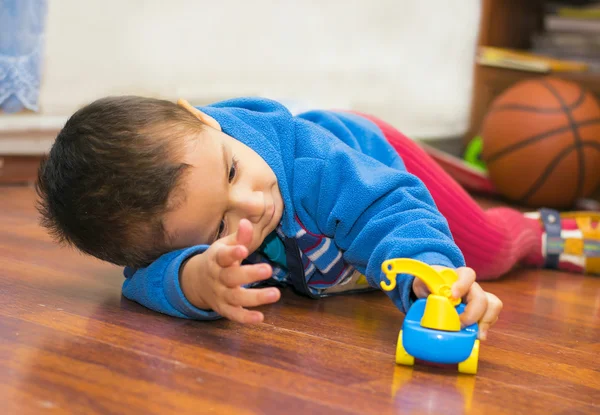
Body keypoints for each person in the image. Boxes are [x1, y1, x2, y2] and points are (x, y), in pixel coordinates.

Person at [35, 95, 596, 338]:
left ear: (201, 118)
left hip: (372, 154)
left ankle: (541, 231)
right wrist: (193, 280)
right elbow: (140, 282)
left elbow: (390, 210)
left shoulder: (308, 161)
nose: (252, 205)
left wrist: (427, 273)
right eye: (218, 228)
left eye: (232, 173)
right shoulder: (182, 222)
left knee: (487, 250)